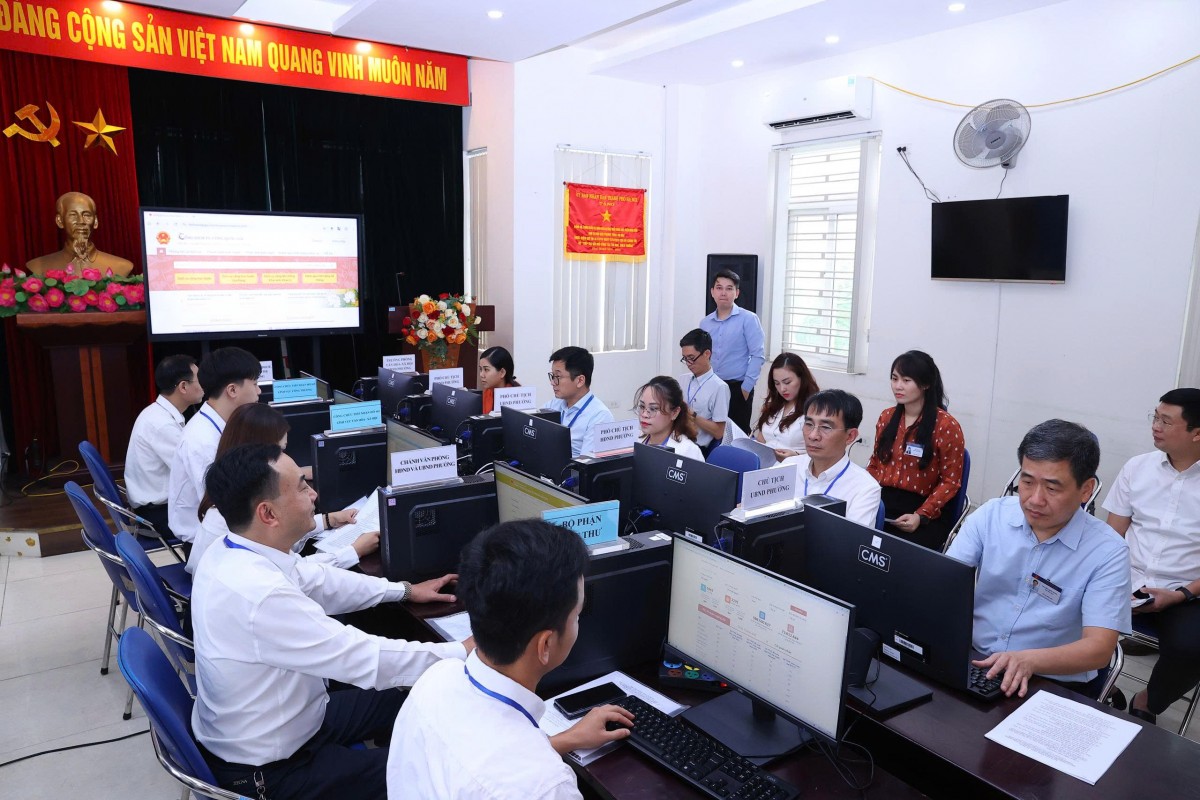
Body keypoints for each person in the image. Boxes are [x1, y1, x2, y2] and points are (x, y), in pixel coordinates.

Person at [192, 443, 470, 800]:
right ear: (268, 513)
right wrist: (462, 652)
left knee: (412, 700)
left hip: (289, 721)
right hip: (273, 771)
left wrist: (404, 591)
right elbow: (363, 657)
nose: (314, 494)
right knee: (431, 772)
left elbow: (318, 580)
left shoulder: (232, 549)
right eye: (301, 488)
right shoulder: (259, 595)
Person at [387, 519, 634, 799]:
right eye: (576, 615)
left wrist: (566, 740)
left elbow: (483, 764)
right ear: (545, 645)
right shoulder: (548, 787)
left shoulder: (438, 677)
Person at [946, 420, 1131, 699]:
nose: (1035, 499)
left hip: (1052, 682)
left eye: (1052, 488)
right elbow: (944, 583)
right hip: (976, 660)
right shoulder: (991, 516)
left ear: (1086, 490)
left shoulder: (1108, 551)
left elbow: (1099, 649)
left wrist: (1029, 660)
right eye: (1027, 482)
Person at [186, 403, 379, 574]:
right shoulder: (232, 516)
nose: (283, 457)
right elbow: (297, 571)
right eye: (279, 450)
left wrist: (329, 520)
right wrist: (353, 551)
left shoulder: (231, 493)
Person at [1103, 388, 1200, 725]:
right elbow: (1112, 536)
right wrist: (1110, 582)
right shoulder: (1137, 468)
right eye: (1155, 417)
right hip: (1125, 579)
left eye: (1166, 421)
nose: (1155, 426)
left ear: (1197, 433)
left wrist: (1181, 594)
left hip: (1186, 592)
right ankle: (1102, 684)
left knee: (1192, 648)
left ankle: (1148, 699)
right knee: (1060, 607)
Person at [867, 350, 965, 551]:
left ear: (925, 384)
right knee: (855, 538)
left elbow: (950, 481)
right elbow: (875, 464)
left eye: (906, 380)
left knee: (895, 552)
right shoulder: (886, 417)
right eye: (894, 378)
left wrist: (921, 515)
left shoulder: (946, 426)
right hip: (883, 501)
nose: (898, 386)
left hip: (925, 509)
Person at [167, 347, 262, 545]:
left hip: (227, 530)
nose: (259, 391)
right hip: (209, 542)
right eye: (255, 384)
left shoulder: (224, 423)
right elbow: (221, 507)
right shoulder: (202, 441)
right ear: (232, 390)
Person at [123, 355, 203, 536]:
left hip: (159, 506)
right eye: (199, 379)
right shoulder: (162, 424)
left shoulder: (158, 413)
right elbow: (193, 472)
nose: (203, 384)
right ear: (183, 387)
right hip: (159, 514)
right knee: (228, 520)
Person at [777, 390, 881, 528]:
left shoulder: (864, 488)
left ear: (850, 436)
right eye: (809, 424)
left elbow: (852, 540)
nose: (813, 435)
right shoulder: (788, 466)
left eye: (825, 427)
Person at [700, 269, 765, 434]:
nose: (723, 292)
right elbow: (703, 356)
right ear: (712, 292)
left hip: (737, 388)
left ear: (737, 293)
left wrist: (746, 388)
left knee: (736, 435)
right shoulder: (705, 323)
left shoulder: (749, 319)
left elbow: (758, 355)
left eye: (729, 288)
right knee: (710, 434)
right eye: (719, 288)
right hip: (712, 386)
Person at [25, 192, 134, 277]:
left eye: (87, 215)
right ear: (60, 221)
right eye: (73, 215)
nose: (81, 221)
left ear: (95, 221)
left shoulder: (122, 266)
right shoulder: (37, 267)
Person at [546, 346, 614, 457]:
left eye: (558, 376)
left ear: (580, 381)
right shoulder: (553, 405)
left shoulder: (600, 416)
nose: (552, 382)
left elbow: (586, 463)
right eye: (552, 376)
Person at [753, 352, 819, 461]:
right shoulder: (774, 406)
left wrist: (796, 456)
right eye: (777, 383)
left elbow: (823, 455)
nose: (782, 389)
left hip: (796, 466)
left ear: (802, 379)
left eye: (787, 382)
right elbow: (760, 441)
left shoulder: (815, 410)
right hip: (765, 465)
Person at [678, 328, 730, 454]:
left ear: (707, 354)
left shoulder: (719, 387)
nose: (688, 363)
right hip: (677, 442)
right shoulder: (682, 380)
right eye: (685, 358)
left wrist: (692, 415)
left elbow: (719, 432)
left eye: (691, 358)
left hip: (698, 449)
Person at [634, 376, 705, 462]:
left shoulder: (688, 452)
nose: (644, 414)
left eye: (653, 409)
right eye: (642, 406)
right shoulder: (637, 439)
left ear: (674, 413)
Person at [479, 345, 521, 414]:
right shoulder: (487, 392)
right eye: (480, 369)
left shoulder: (515, 397)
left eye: (486, 370)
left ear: (502, 372)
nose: (481, 375)